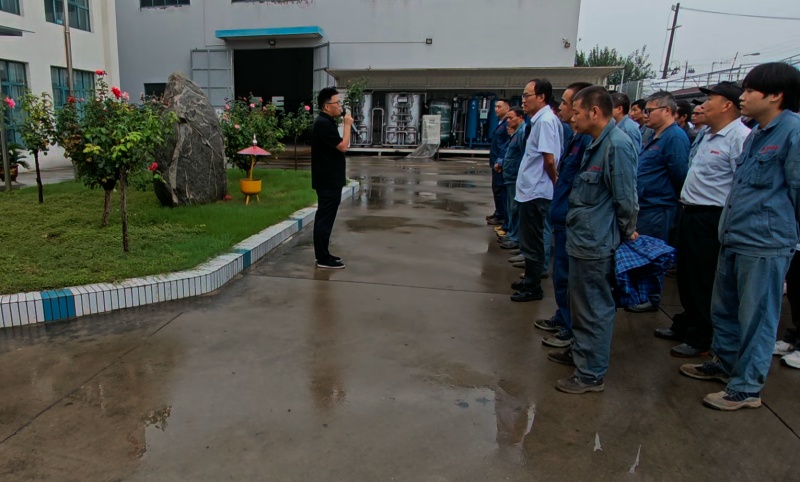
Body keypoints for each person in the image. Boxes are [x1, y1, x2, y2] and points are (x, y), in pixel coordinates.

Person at [681, 62, 800, 411]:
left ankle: (747, 388)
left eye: (749, 90)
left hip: (764, 243)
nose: (742, 97)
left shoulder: (793, 134)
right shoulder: (758, 133)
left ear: (776, 95)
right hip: (735, 235)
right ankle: (726, 364)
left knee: (757, 318)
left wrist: (788, 240)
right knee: (725, 309)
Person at [552, 86, 639, 394]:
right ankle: (580, 353)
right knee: (580, 306)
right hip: (582, 240)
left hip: (597, 244)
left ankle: (590, 374)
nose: (571, 118)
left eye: (576, 112)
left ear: (595, 112)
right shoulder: (594, 143)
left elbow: (626, 199)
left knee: (594, 309)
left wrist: (626, 233)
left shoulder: (617, 145)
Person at [655, 82, 750, 358]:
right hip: (690, 212)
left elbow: (741, 186)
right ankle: (687, 322)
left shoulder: (739, 137)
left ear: (727, 105)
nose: (703, 106)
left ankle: (702, 335)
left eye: (710, 100)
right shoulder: (706, 135)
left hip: (712, 217)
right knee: (686, 275)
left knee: (704, 278)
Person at [533, 82, 593, 350]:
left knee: (570, 280)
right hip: (563, 218)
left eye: (568, 104)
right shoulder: (576, 137)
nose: (562, 109)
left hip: (574, 222)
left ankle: (570, 328)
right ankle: (563, 317)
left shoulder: (591, 141)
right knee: (562, 277)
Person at [626, 91, 689, 313]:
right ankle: (641, 294)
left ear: (668, 111)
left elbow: (679, 174)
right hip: (646, 204)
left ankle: (652, 297)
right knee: (643, 252)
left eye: (650, 110)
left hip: (658, 206)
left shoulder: (674, 138)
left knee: (653, 252)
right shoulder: (655, 135)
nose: (646, 115)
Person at [511, 79, 563, 302]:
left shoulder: (545, 122)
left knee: (533, 242)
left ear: (541, 97)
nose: (523, 100)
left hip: (537, 192)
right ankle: (529, 280)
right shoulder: (540, 120)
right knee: (529, 240)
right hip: (531, 190)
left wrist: (555, 182)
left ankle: (533, 287)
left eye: (527, 95)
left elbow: (549, 160)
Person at [311, 87, 353, 269]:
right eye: (337, 103)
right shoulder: (323, 123)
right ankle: (322, 258)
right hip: (327, 180)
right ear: (327, 106)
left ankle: (324, 254)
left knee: (326, 218)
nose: (340, 106)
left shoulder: (326, 122)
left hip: (330, 179)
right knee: (324, 218)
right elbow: (343, 146)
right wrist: (348, 125)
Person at [497, 106, 526, 250]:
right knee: (511, 209)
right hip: (510, 176)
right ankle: (512, 234)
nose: (508, 121)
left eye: (511, 118)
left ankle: (515, 238)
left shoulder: (522, 133)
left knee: (515, 209)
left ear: (520, 118)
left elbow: (523, 155)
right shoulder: (516, 133)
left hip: (515, 177)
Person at [488, 100, 511, 228]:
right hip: (495, 163)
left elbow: (507, 145)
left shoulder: (507, 124)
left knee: (501, 191)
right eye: (495, 107)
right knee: (496, 189)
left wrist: (501, 161)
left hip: (500, 164)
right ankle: (499, 212)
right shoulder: (500, 123)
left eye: (499, 107)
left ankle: (501, 215)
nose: (496, 109)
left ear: (507, 109)